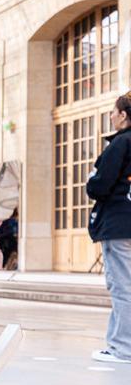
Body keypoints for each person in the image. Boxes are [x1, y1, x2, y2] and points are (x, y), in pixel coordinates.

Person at [86, 92, 131, 364]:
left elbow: (99, 185)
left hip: (118, 223)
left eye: (113, 112)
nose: (111, 116)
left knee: (121, 286)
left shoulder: (121, 144)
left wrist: (92, 179)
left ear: (124, 115)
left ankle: (122, 348)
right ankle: (120, 344)